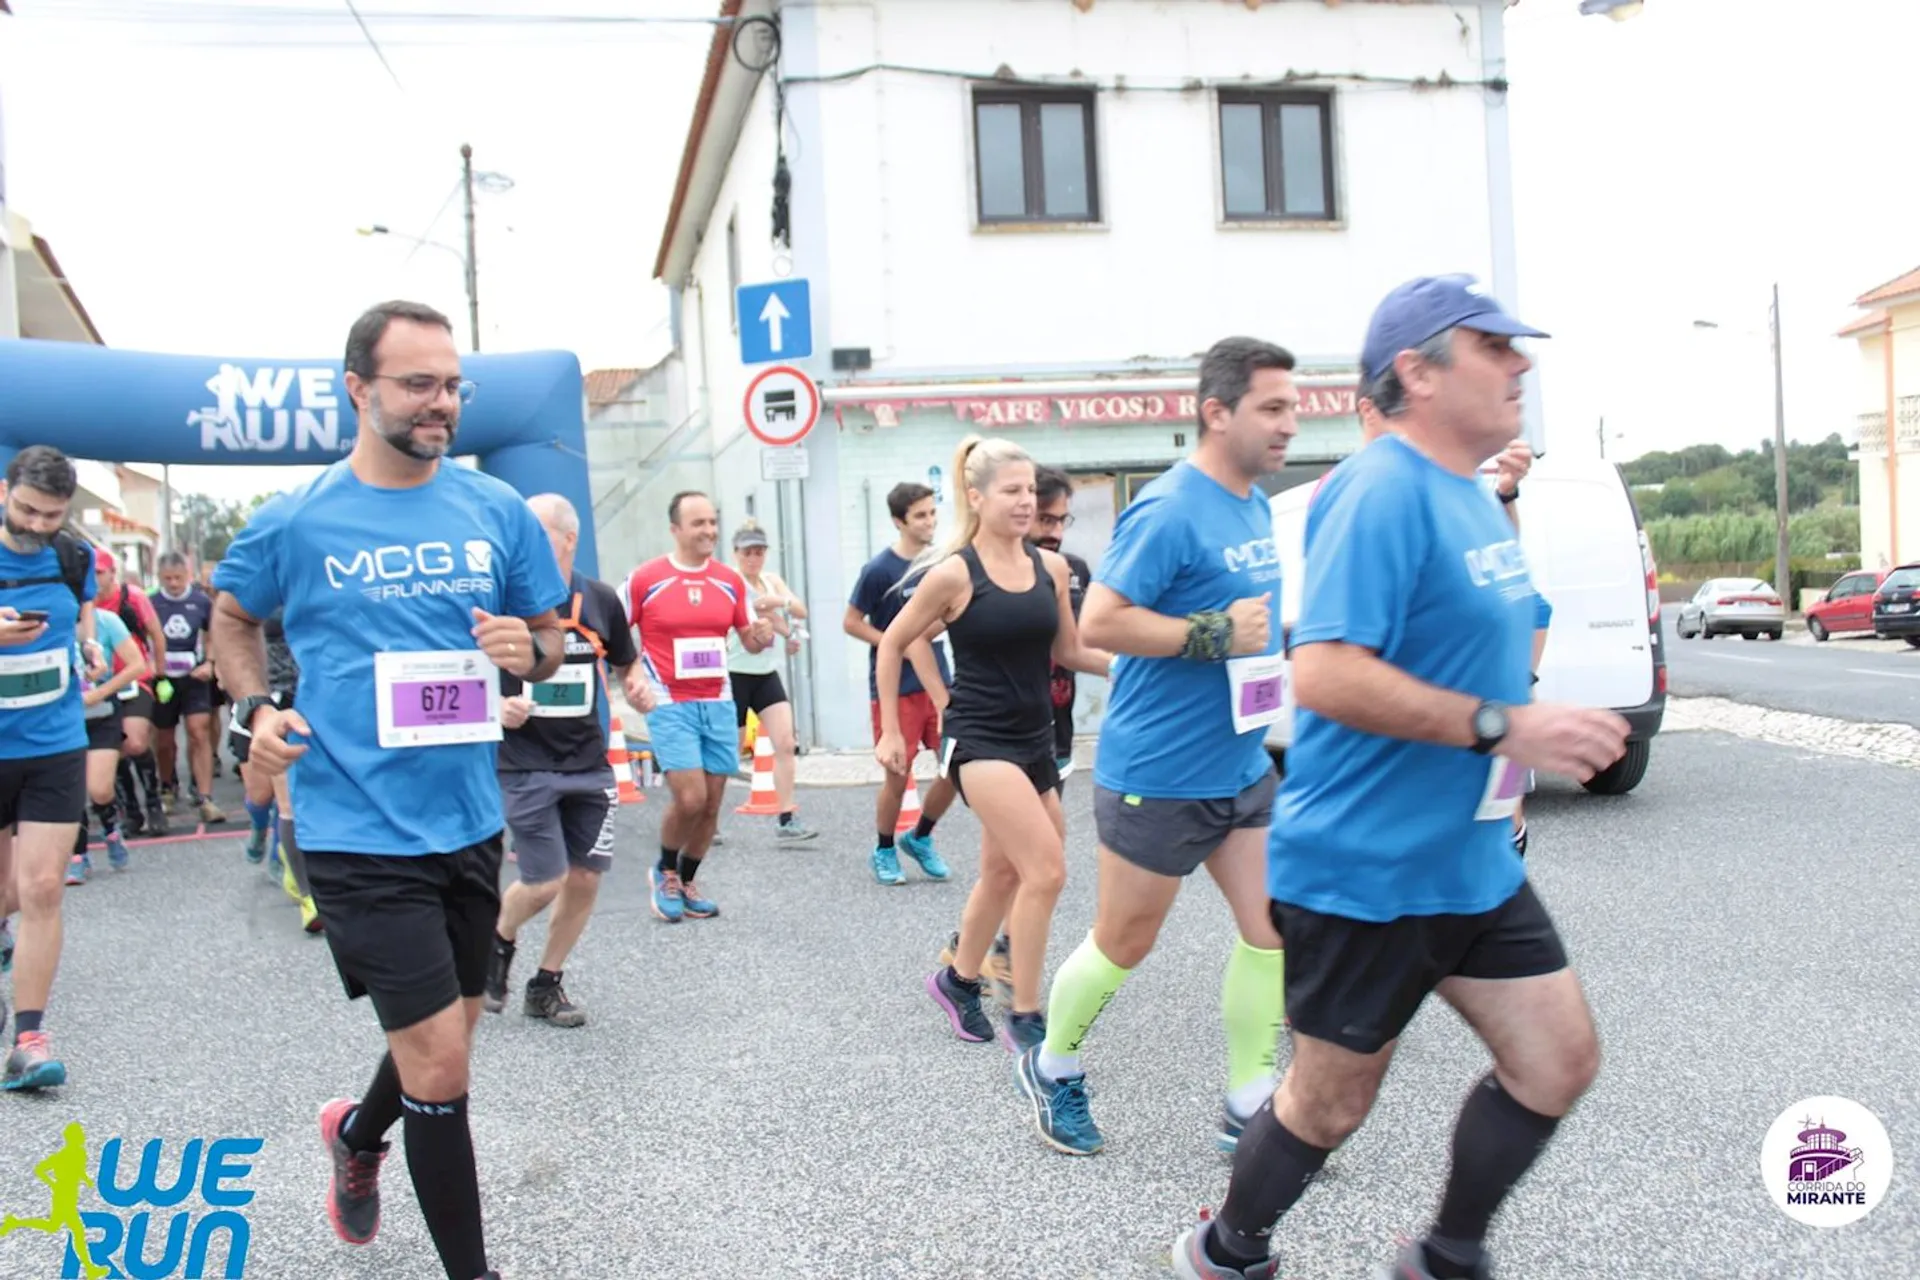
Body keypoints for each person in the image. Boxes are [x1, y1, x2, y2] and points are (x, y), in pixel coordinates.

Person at [1171, 276, 1629, 1280]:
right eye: (1494, 347)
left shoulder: (1468, 494)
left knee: (1557, 1058)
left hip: (1470, 860)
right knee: (1331, 1100)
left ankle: (1444, 1256)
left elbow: (1500, 621)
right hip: (1366, 872)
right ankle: (1224, 1250)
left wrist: (1534, 714)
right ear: (1417, 372)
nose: (1522, 364)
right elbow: (1326, 670)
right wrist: (1506, 723)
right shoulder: (1379, 491)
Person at [213, 298, 567, 1280]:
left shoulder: (495, 510)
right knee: (444, 1067)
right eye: (418, 383)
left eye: (453, 384)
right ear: (358, 390)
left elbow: (547, 640)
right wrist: (254, 711)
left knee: (445, 1038)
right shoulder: (296, 519)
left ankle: (359, 1133)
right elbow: (232, 619)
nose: (440, 402)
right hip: (350, 824)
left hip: (465, 818)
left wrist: (524, 649)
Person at [1022, 338, 1298, 1160]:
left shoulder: (1252, 501)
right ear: (1219, 412)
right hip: (1161, 774)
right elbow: (1101, 621)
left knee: (1272, 927)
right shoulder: (1173, 507)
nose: (1291, 422)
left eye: (1294, 406)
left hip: (1241, 763)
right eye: (1273, 407)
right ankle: (1053, 1062)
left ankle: (1250, 1103)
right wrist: (1213, 632)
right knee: (1125, 942)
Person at [877, 436, 1112, 1062]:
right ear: (976, 498)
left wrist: (1138, 670)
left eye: (1030, 490)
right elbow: (895, 641)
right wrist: (897, 728)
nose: (1026, 501)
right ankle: (1028, 1015)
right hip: (979, 740)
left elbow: (1069, 651)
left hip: (1036, 738)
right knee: (1047, 869)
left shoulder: (1052, 568)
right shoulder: (955, 573)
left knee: (1004, 871)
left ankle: (956, 980)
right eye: (1012, 491)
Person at [1332, 383, 1542, 857]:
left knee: (1499, 841)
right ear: (1369, 411)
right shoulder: (1368, 492)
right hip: (1420, 748)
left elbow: (1499, 559)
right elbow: (1326, 672)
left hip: (1486, 718)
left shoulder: (1450, 482)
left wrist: (1506, 493)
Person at [485, 493, 635, 1027]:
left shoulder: (599, 600)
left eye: (537, 532)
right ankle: (498, 940)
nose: (521, 542)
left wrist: (638, 689)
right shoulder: (501, 599)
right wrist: (495, 705)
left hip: (589, 763)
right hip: (525, 763)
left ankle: (545, 984)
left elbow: (626, 663)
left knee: (587, 877)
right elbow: (462, 671)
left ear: (569, 539)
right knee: (546, 879)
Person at [0, 444, 106, 1091]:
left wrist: (90, 645)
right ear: (5, 490)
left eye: (52, 515)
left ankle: (29, 1040)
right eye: (28, 510)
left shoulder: (72, 555)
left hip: (54, 741)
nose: (38, 525)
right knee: (6, 894)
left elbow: (83, 611)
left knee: (41, 887)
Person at [622, 491, 774, 924]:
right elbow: (614, 630)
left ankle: (687, 879)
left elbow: (748, 638)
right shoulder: (646, 579)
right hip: (670, 701)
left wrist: (761, 634)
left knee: (711, 803)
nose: (708, 531)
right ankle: (665, 870)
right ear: (675, 529)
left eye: (712, 522)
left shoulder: (729, 580)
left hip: (718, 701)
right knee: (689, 798)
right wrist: (630, 676)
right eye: (698, 524)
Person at [844, 483, 960, 886]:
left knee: (956, 766)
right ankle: (884, 848)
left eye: (932, 512)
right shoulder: (878, 571)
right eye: (920, 515)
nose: (930, 521)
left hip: (938, 684)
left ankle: (921, 837)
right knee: (898, 775)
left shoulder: (943, 563)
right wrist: (896, 644)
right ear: (899, 522)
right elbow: (851, 622)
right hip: (895, 687)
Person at [725, 519, 816, 842]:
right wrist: (775, 608)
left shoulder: (771, 579)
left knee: (785, 743)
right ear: (735, 553)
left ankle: (788, 817)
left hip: (765, 673)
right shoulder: (729, 580)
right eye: (748, 552)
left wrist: (783, 623)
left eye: (759, 552)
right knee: (729, 753)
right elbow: (746, 608)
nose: (754, 558)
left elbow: (800, 610)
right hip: (734, 672)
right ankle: (708, 821)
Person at [238, 604, 320, 933]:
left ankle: (308, 897)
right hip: (263, 701)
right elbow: (228, 634)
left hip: (307, 697)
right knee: (260, 794)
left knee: (289, 800)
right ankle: (260, 828)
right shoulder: (255, 584)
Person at [68, 583, 147, 883]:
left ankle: (111, 828)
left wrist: (99, 691)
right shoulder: (46, 624)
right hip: (63, 719)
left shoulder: (106, 621)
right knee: (71, 788)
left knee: (100, 788)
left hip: (102, 714)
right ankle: (79, 855)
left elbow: (138, 664)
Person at [93, 551, 168, 837]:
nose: (96, 580)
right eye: (92, 574)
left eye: (100, 573)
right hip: (101, 684)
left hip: (137, 678)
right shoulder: (84, 604)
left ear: (113, 573)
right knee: (115, 748)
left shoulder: (132, 597)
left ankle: (154, 802)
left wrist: (160, 675)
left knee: (135, 742)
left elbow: (156, 635)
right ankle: (131, 810)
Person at [149, 550, 226, 825]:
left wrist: (210, 663)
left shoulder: (200, 601)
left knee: (198, 732)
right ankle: (167, 786)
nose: (173, 583)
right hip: (163, 679)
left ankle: (205, 796)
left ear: (188, 575)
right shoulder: (151, 603)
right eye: (167, 578)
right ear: (159, 577)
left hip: (194, 677)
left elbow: (213, 633)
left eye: (178, 578)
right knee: (165, 740)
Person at [1032, 467, 1093, 782]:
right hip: (1007, 734)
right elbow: (915, 637)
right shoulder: (987, 573)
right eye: (1045, 519)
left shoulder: (1075, 571)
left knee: (1051, 823)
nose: (1055, 533)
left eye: (1061, 520)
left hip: (1058, 723)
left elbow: (1082, 643)